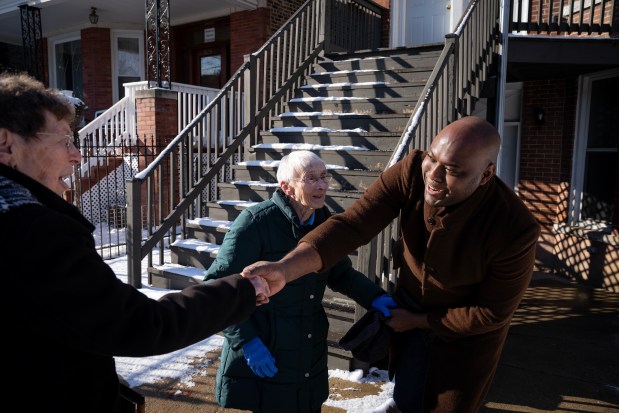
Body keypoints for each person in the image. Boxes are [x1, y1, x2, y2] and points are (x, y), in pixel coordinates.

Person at [0, 73, 270, 412]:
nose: (77, 156)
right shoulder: (29, 232)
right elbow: (140, 324)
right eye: (64, 141)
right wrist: (240, 291)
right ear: (7, 144)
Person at [242, 116, 541, 412]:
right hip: (410, 318)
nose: (433, 175)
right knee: (408, 396)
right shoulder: (412, 170)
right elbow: (351, 225)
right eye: (432, 158)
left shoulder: (514, 228)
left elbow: (492, 313)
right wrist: (285, 268)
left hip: (465, 342)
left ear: (486, 174)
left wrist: (418, 320)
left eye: (451, 170)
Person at [204, 150, 397, 413]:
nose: (321, 185)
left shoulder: (326, 224)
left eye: (324, 177)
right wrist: (246, 340)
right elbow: (218, 286)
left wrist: (375, 297)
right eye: (311, 178)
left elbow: (341, 273)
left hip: (308, 345)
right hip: (267, 345)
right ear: (286, 187)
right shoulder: (255, 223)